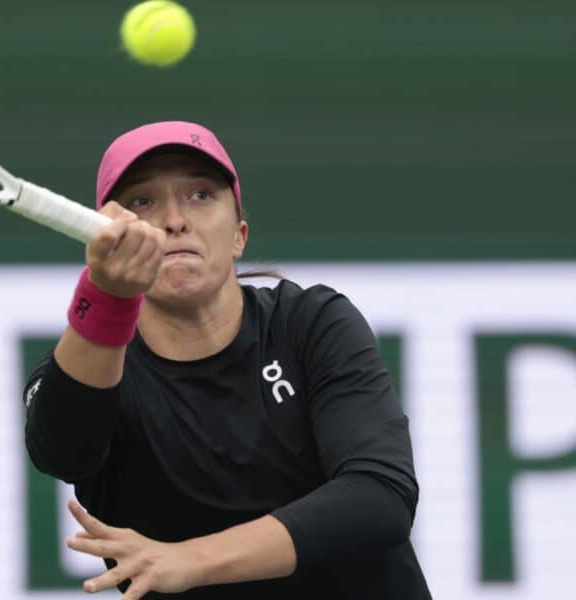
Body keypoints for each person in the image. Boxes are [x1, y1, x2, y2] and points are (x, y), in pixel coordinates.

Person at [23, 121, 431, 599]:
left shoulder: (311, 324)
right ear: (106, 236)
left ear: (238, 235)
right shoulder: (92, 368)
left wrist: (188, 560)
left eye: (200, 195)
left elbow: (379, 498)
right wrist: (106, 294)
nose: (174, 220)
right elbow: (60, 451)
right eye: (142, 202)